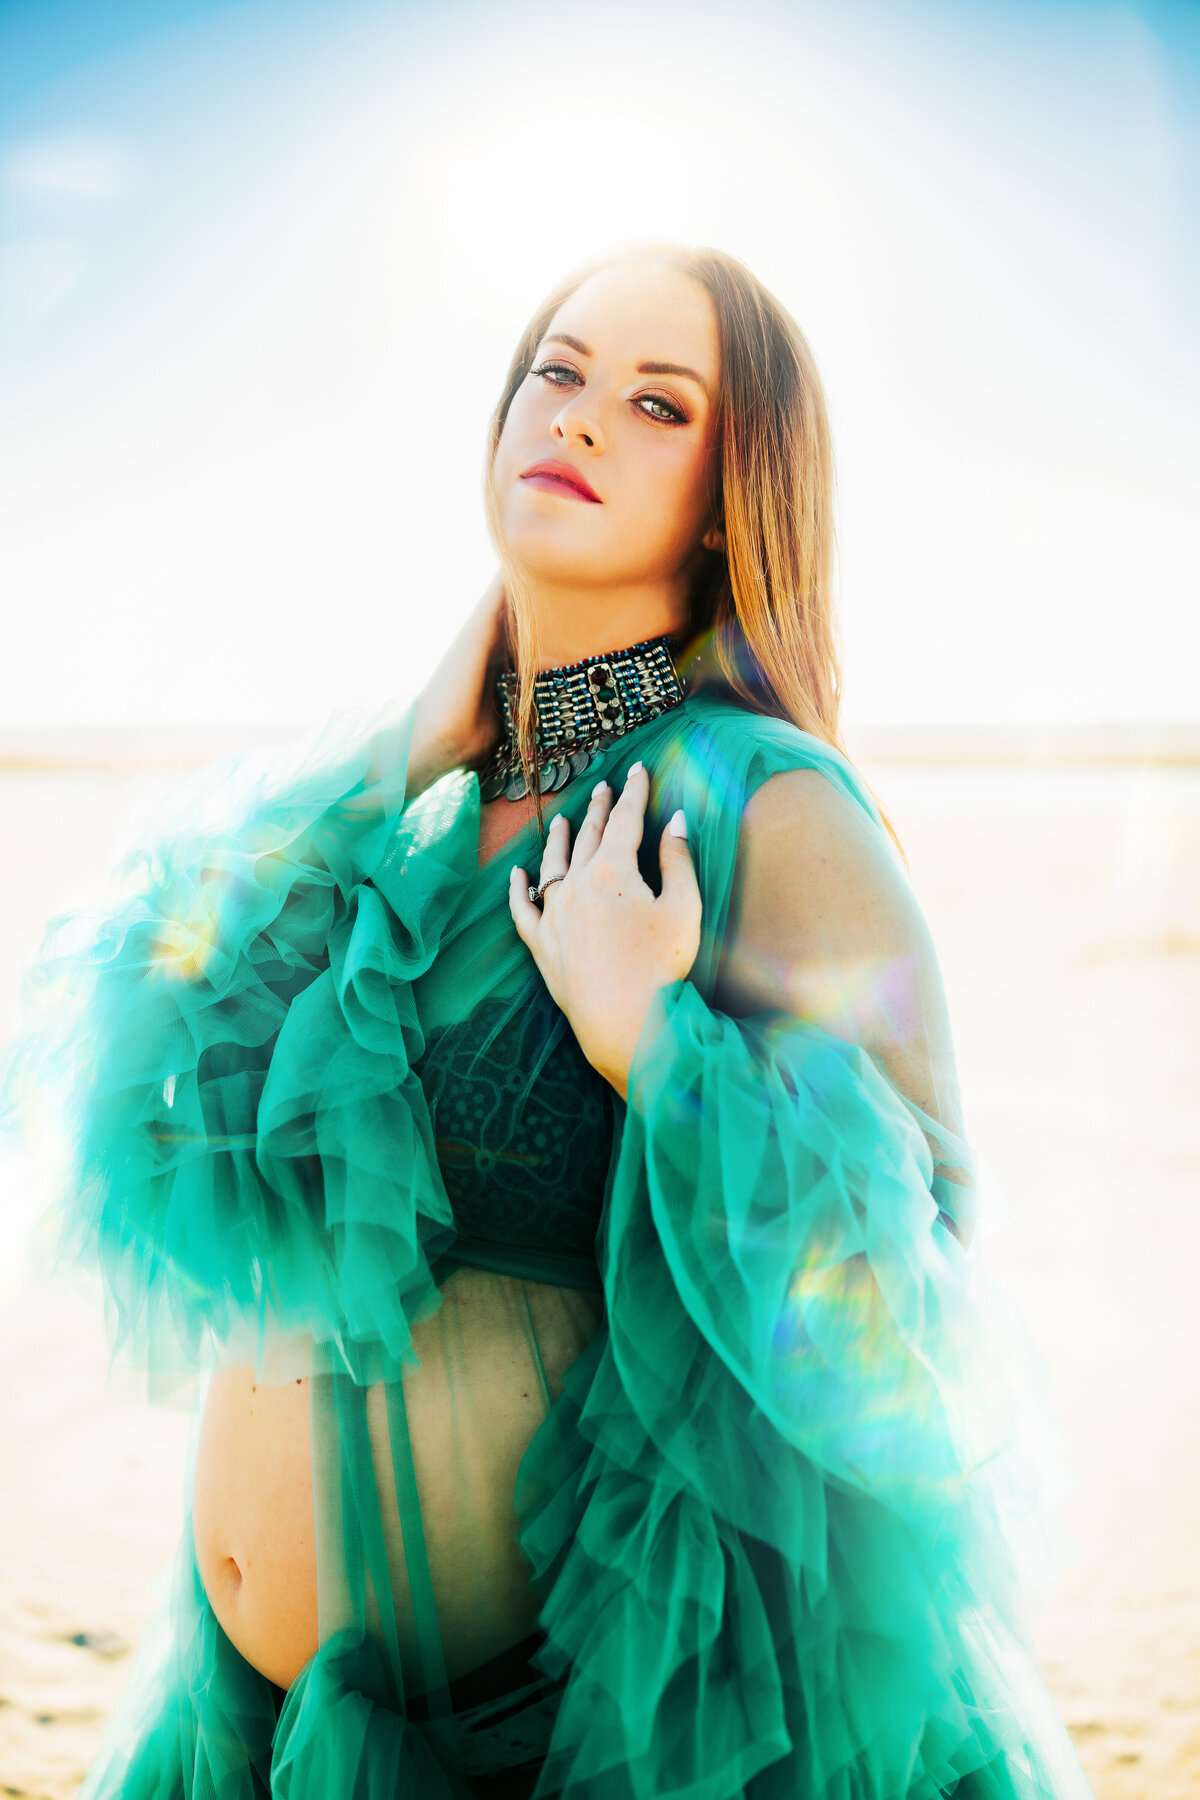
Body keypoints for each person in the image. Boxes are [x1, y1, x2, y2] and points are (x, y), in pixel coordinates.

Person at [0, 241, 1094, 1799]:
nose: (577, 418)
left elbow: (915, 1288)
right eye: (558, 370)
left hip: (545, 1743)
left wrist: (654, 1048)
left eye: (657, 402)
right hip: (243, 1728)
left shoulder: (767, 807)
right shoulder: (427, 813)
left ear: (729, 494)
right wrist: (395, 758)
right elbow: (143, 1089)